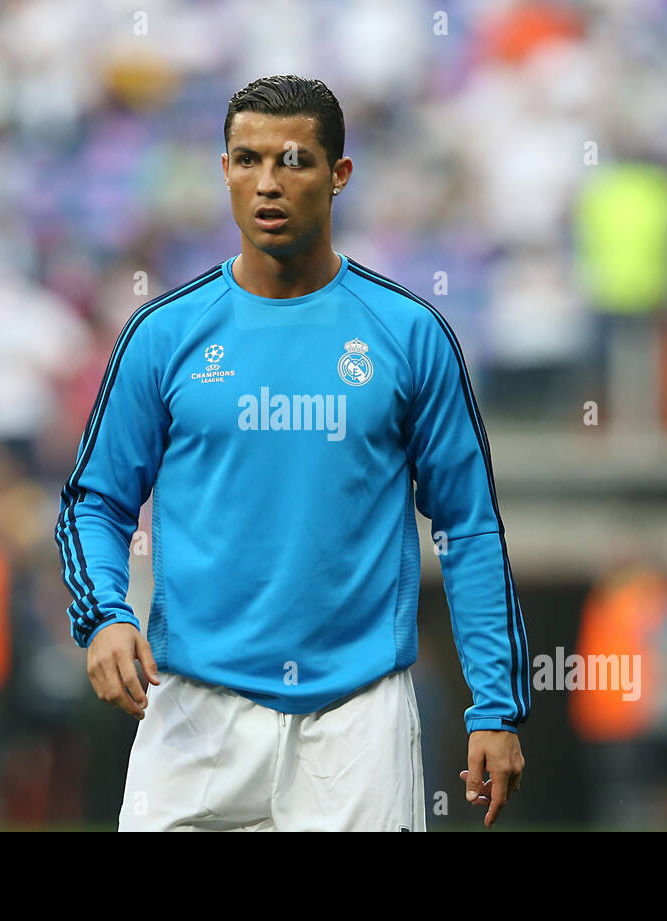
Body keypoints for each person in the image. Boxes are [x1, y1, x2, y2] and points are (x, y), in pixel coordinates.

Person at [54, 74, 529, 831]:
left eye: (295, 161)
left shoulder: (407, 335)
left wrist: (495, 706)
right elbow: (94, 500)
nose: (267, 183)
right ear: (223, 170)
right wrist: (106, 614)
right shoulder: (164, 335)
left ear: (339, 176)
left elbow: (469, 527)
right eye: (246, 160)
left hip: (357, 715)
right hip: (194, 709)